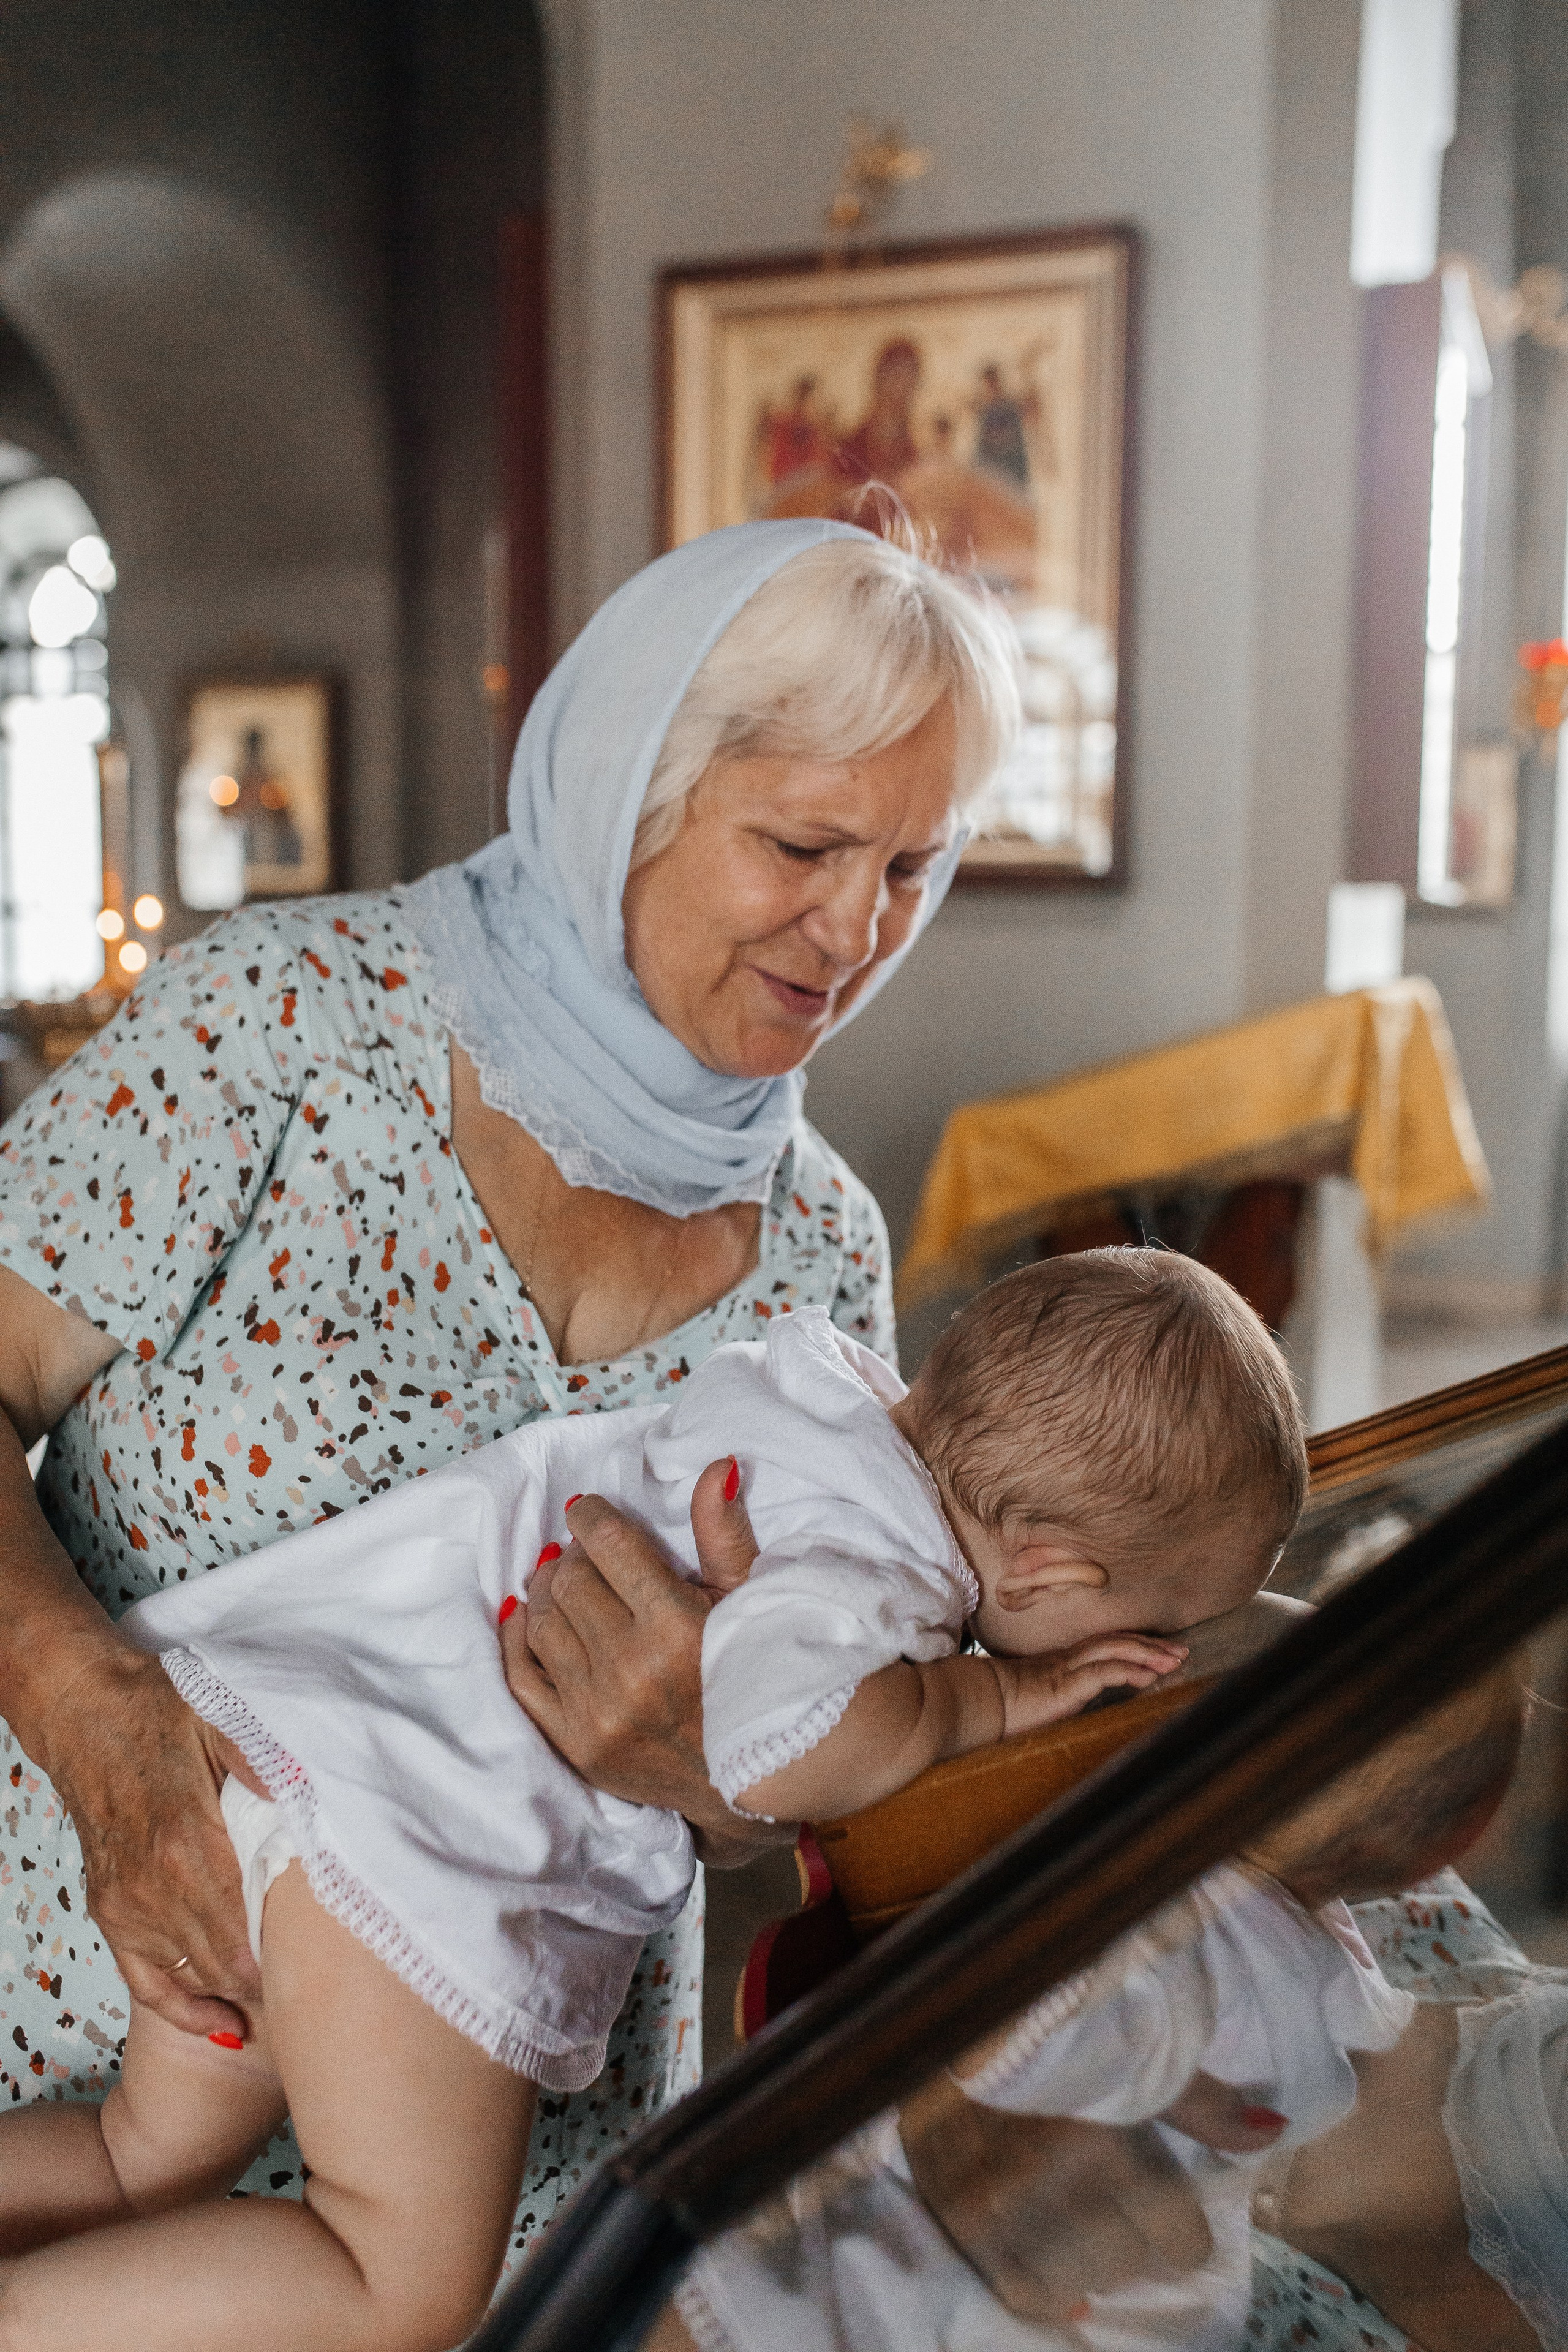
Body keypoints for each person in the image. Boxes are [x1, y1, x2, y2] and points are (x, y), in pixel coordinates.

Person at [0, 518, 1020, 2251]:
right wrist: (97, 1721)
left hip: (489, 2186)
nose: (858, 927)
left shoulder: (821, 1250)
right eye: (804, 842)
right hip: (71, 2063)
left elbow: (803, 1755)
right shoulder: (284, 1032)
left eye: (915, 867)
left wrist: (705, 1763)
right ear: (631, 787)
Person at [0, 1249, 1302, 2349]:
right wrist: (991, 1703)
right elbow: (779, 1746)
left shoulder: (813, 1389)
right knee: (397, 2276)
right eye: (1150, 1627)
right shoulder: (868, 1562)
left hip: (299, 1755)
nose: (1143, 1658)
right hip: (404, 1840)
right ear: (1051, 1569)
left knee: (137, 2158)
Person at [665, 1670, 1524, 2352]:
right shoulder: (1335, 1967)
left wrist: (971, 2028)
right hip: (1146, 2288)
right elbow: (1339, 2073)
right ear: (1436, 1859)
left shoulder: (1181, 1917)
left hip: (1037, 2262)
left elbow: (1031, 2043)